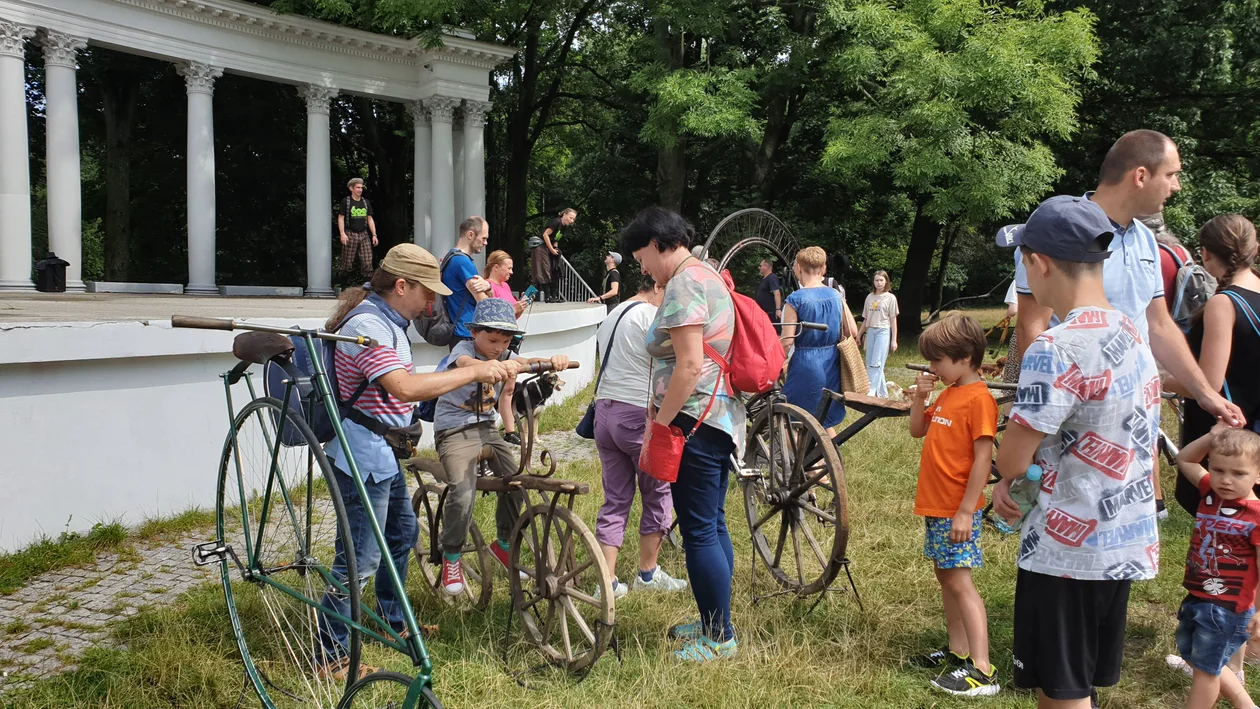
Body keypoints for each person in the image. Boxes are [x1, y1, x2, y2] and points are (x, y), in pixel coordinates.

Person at [994, 195, 1162, 709]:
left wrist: (1003, 472)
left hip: (1065, 551)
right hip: (1121, 543)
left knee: (1060, 690)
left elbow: (1013, 460)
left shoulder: (1054, 347)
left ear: (1038, 263)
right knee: (1079, 682)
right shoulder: (1131, 332)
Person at [316, 244, 512, 680]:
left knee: (402, 534)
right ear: (401, 285)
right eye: (427, 293)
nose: (432, 304)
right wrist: (473, 372)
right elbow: (403, 388)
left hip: (381, 454)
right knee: (359, 559)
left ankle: (392, 619)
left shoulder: (389, 321)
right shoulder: (368, 324)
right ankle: (329, 656)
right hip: (358, 455)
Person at [622, 206, 743, 663]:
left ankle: (718, 638)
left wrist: (661, 421)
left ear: (657, 244)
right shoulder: (707, 275)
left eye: (641, 258)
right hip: (716, 417)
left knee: (698, 531)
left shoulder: (686, 282)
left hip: (694, 419)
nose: (643, 268)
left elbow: (690, 364)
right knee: (712, 523)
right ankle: (716, 619)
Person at [433, 298, 569, 595]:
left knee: (518, 479)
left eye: (505, 340)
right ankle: (451, 555)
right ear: (474, 333)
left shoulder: (506, 354)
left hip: (486, 430)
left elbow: (521, 364)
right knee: (462, 490)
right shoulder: (463, 351)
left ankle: (503, 541)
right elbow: (468, 365)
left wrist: (552, 361)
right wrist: (494, 365)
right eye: (493, 339)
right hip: (454, 429)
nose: (498, 346)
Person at [906, 314, 999, 697]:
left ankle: (983, 669)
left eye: (937, 361)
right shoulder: (949, 393)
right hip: (936, 506)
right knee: (946, 576)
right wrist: (920, 398)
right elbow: (917, 429)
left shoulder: (979, 400)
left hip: (956, 509)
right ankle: (959, 651)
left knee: (960, 582)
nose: (932, 368)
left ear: (964, 357)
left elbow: (983, 459)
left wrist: (965, 510)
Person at [593, 281, 688, 599]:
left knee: (615, 499)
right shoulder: (651, 317)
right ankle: (647, 574)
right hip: (636, 413)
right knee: (658, 492)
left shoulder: (612, 314)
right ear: (659, 289)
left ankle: (606, 581)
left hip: (603, 412)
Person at [1169, 423, 1260, 709]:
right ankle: (1246, 705)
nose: (1226, 480)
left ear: (1258, 475)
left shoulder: (1256, 516)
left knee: (1205, 672)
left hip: (1228, 608)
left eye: (1238, 473)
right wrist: (1211, 437)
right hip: (1199, 596)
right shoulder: (1210, 491)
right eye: (1219, 470)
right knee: (1202, 659)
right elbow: (1185, 458)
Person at [780, 246, 846, 429]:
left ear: (798, 268)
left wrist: (775, 365)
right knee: (822, 417)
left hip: (806, 364)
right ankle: (827, 457)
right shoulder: (836, 295)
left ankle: (811, 459)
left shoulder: (795, 299)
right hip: (832, 363)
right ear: (823, 269)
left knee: (792, 420)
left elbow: (786, 341)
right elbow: (853, 332)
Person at [440, 216, 494, 349]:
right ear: (470, 235)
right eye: (484, 238)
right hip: (467, 332)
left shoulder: (450, 257)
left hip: (457, 331)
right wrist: (489, 288)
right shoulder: (463, 262)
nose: (486, 242)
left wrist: (488, 285)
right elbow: (484, 303)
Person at [858, 270, 899, 398]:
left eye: (881, 280)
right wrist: (859, 335)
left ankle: (872, 389)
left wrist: (894, 340)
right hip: (871, 331)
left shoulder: (890, 298)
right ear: (873, 282)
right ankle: (883, 394)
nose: (879, 283)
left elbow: (893, 320)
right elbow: (865, 319)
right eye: (876, 280)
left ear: (886, 281)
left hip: (883, 330)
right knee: (870, 361)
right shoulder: (869, 297)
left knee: (877, 362)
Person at [531, 208, 577, 303]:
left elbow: (556, 238)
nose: (571, 221)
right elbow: (545, 235)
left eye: (573, 219)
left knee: (553, 268)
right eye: (570, 218)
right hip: (540, 245)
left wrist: (555, 249)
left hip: (548, 246)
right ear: (564, 215)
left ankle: (553, 295)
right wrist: (551, 249)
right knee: (545, 269)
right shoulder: (556, 222)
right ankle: (547, 296)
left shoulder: (563, 227)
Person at [338, 178, 378, 280]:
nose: (360, 190)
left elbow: (370, 219)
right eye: (358, 187)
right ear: (351, 188)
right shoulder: (346, 202)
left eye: (361, 187)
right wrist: (342, 233)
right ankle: (344, 283)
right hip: (350, 233)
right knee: (347, 261)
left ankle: (367, 284)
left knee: (367, 260)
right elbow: (341, 218)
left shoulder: (365, 202)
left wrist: (374, 234)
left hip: (364, 233)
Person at [483, 250, 530, 319]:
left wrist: (521, 306)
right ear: (496, 267)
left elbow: (514, 316)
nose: (511, 272)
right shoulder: (487, 286)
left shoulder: (505, 285)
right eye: (509, 268)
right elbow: (491, 316)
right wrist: (514, 309)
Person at [755, 259, 783, 332]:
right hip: (764, 313)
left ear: (766, 267)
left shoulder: (771, 278)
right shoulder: (765, 279)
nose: (759, 268)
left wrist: (778, 310)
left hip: (772, 313)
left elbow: (776, 293)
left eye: (760, 266)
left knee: (775, 332)